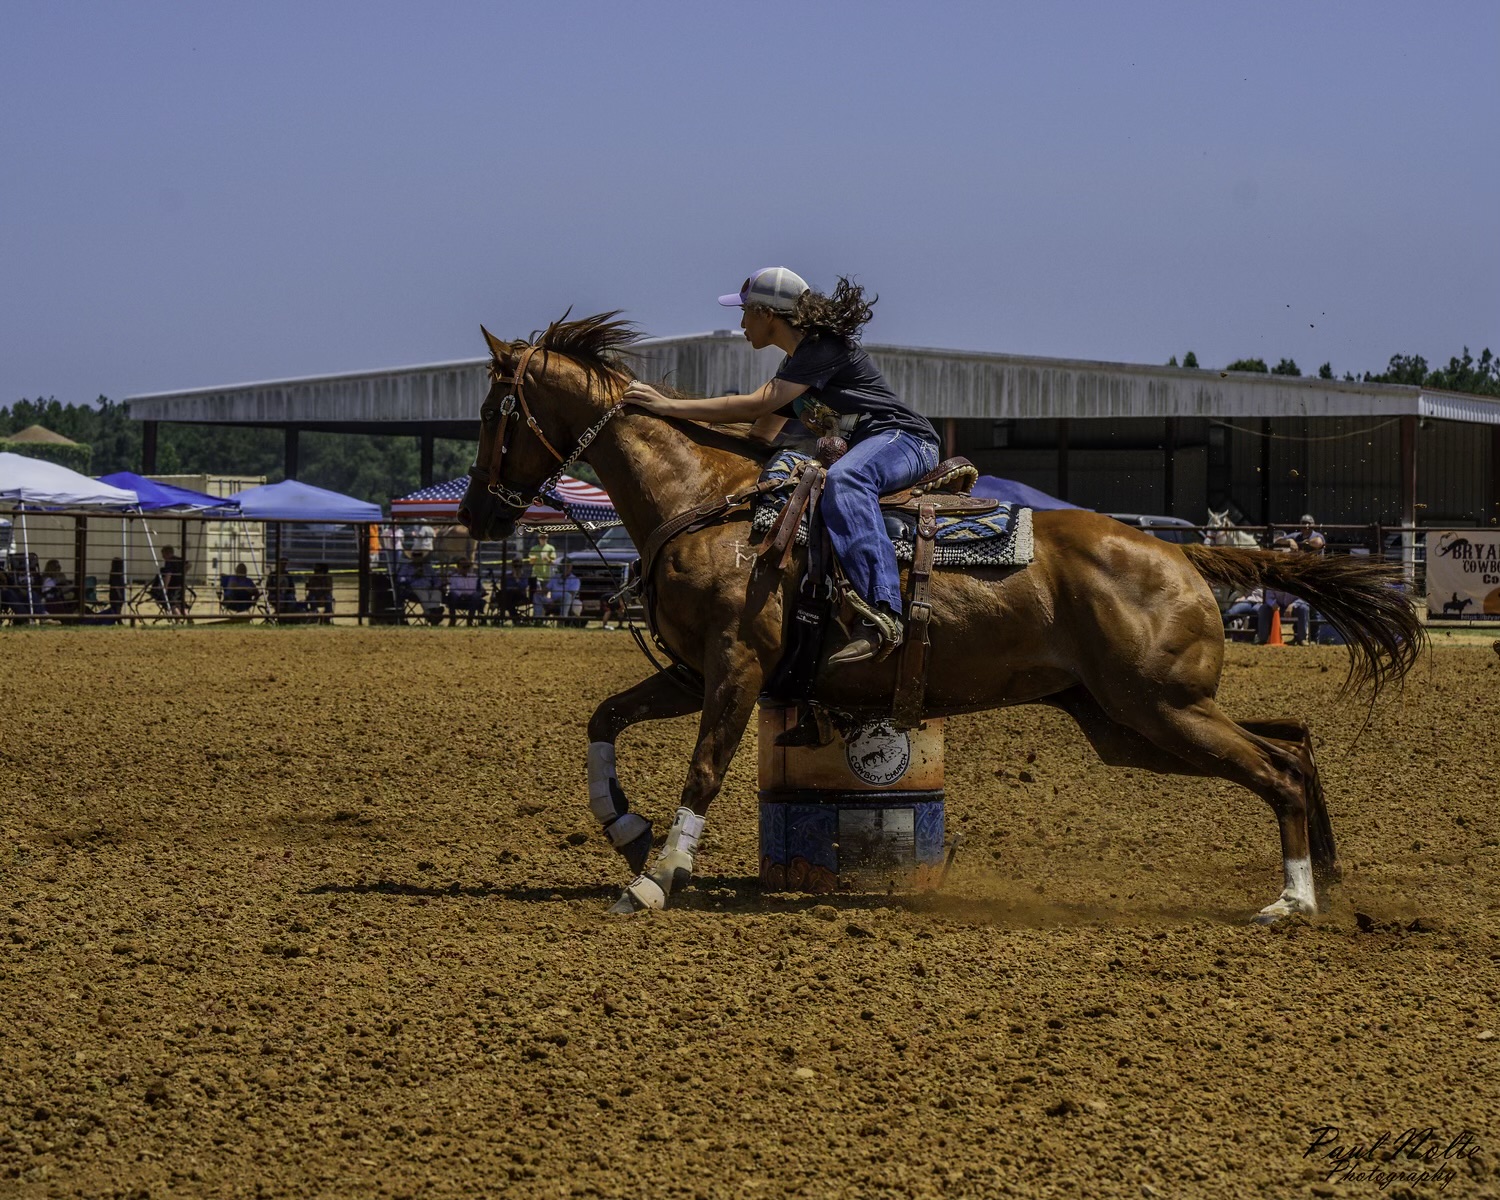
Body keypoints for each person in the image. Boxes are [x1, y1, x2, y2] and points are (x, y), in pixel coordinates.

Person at [623, 267, 942, 664]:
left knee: (847, 478)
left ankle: (883, 613)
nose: (740, 323)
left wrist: (667, 406)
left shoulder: (822, 348)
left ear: (766, 314)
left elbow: (757, 403)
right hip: (879, 443)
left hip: (906, 439)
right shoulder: (794, 370)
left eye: (744, 312)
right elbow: (758, 436)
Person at [444, 556, 484, 625]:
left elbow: (476, 589)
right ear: (458, 567)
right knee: (452, 595)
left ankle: (470, 619)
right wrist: (461, 594)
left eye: (468, 566)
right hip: (458, 599)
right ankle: (452, 619)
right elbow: (452, 588)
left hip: (471, 598)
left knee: (476, 595)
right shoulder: (454, 577)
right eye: (464, 567)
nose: (466, 569)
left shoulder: (474, 577)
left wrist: (469, 594)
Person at [154, 546, 188, 616]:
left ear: (167, 553)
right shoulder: (179, 559)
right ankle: (188, 618)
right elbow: (189, 564)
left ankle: (178, 621)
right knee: (181, 603)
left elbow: (168, 575)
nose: (163, 557)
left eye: (163, 555)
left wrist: (165, 587)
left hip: (173, 586)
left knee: (172, 604)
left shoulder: (169, 562)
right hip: (181, 585)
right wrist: (182, 573)